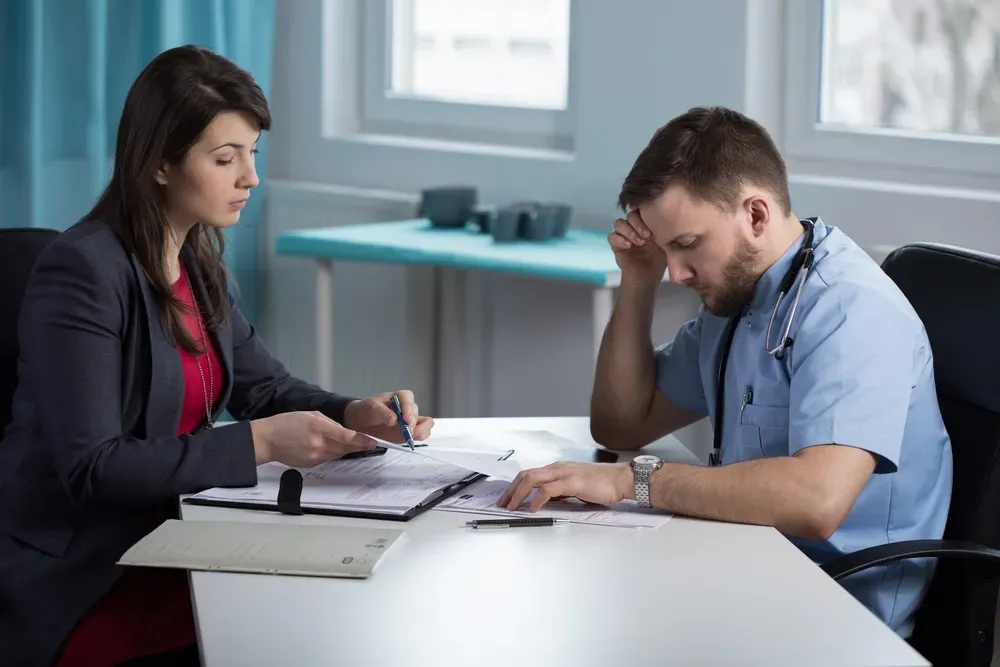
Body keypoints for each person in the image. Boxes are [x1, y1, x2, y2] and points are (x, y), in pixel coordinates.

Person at [0, 45, 434, 667]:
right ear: (158, 164)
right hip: (86, 572)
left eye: (252, 154)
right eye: (225, 158)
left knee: (324, 620)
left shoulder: (197, 263)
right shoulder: (84, 271)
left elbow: (266, 389)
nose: (250, 178)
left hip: (171, 541)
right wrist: (258, 443)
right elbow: (93, 468)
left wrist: (355, 412)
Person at [499, 106, 953, 638]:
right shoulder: (741, 302)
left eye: (687, 245)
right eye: (665, 249)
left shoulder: (852, 312)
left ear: (756, 215)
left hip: (835, 615)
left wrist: (636, 481)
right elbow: (622, 423)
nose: (677, 272)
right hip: (745, 568)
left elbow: (816, 500)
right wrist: (637, 281)